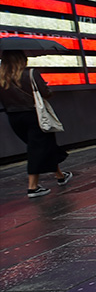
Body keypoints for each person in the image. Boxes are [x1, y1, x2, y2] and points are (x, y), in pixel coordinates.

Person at [0, 50, 71, 197]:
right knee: (37, 148)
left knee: (42, 145)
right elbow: (46, 93)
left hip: (13, 117)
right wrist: (46, 87)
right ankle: (33, 187)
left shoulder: (2, 78)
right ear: (22, 59)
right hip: (34, 115)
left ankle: (60, 176)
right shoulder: (31, 73)